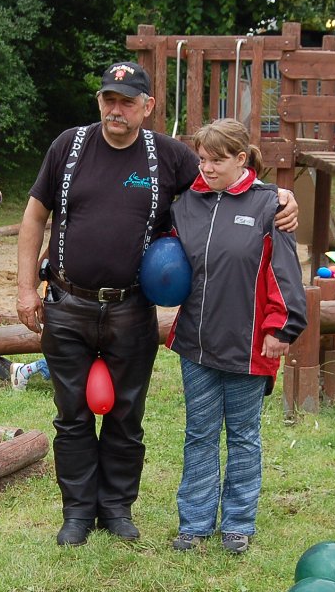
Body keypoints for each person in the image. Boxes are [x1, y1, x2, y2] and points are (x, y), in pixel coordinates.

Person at [16, 61, 300, 547]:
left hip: (130, 309)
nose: (116, 109)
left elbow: (229, 184)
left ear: (147, 106)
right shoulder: (70, 146)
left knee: (126, 415)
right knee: (71, 415)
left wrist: (280, 197)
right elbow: (34, 216)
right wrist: (25, 288)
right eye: (109, 99)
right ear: (99, 101)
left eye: (128, 101)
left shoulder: (169, 156)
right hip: (67, 303)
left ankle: (117, 509)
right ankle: (78, 513)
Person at [166, 119, 307, 554]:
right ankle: (194, 522)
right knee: (199, 434)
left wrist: (282, 328)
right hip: (196, 342)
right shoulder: (185, 203)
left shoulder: (270, 205)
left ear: (241, 159)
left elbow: (284, 274)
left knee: (243, 436)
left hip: (249, 346)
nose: (205, 167)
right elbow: (168, 260)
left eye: (216, 159)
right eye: (202, 159)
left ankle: (238, 524)